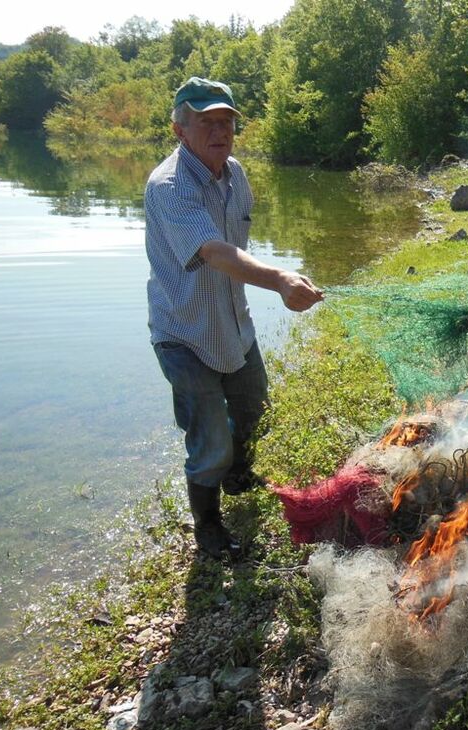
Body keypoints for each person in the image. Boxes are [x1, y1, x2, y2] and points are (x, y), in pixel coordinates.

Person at [145, 77, 323, 558]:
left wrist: (279, 277)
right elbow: (217, 252)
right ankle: (207, 527)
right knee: (210, 443)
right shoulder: (169, 186)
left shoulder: (235, 174)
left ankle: (240, 476)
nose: (220, 131)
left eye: (226, 121)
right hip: (184, 333)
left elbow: (238, 247)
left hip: (235, 325)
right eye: (207, 122)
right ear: (180, 129)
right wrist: (281, 279)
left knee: (252, 410)